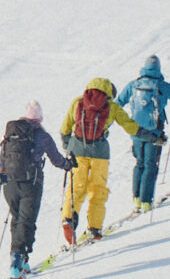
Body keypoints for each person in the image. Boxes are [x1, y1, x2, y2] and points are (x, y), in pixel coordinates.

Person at [0, 101, 74, 277]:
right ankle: (19, 260)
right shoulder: (41, 135)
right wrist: (68, 165)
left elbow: (0, 162)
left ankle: (18, 259)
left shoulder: (11, 133)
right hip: (31, 183)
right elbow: (56, 159)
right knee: (27, 221)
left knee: (17, 219)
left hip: (10, 184)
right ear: (39, 118)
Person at [59, 77, 141, 244]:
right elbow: (130, 125)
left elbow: (64, 129)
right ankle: (94, 228)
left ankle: (68, 218)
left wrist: (70, 148)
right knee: (98, 189)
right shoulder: (112, 107)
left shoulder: (78, 102)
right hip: (100, 153)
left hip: (77, 151)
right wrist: (151, 136)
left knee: (77, 186)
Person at [121, 58, 170, 214]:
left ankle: (136, 198)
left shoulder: (134, 84)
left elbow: (119, 102)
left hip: (136, 132)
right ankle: (146, 201)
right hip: (154, 132)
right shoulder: (162, 86)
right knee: (151, 165)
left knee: (139, 163)